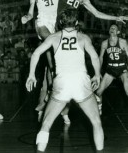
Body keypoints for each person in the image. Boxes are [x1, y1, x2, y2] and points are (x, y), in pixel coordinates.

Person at [26, 9, 104, 153]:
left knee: (46, 124)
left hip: (62, 82)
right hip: (81, 81)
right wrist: (97, 75)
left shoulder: (54, 37)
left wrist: (31, 74)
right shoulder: (84, 38)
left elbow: (36, 53)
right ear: (76, 23)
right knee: (96, 122)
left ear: (61, 22)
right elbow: (94, 57)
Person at [22, 0, 77, 122]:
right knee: (51, 42)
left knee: (52, 63)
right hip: (42, 25)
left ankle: (52, 99)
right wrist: (27, 18)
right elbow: (30, 12)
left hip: (55, 26)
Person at [96, 24, 128, 114]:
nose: (112, 29)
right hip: (110, 69)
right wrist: (97, 72)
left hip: (122, 68)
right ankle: (99, 108)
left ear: (118, 32)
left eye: (114, 28)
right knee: (98, 92)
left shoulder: (122, 42)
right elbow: (101, 58)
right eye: (111, 28)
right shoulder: (104, 43)